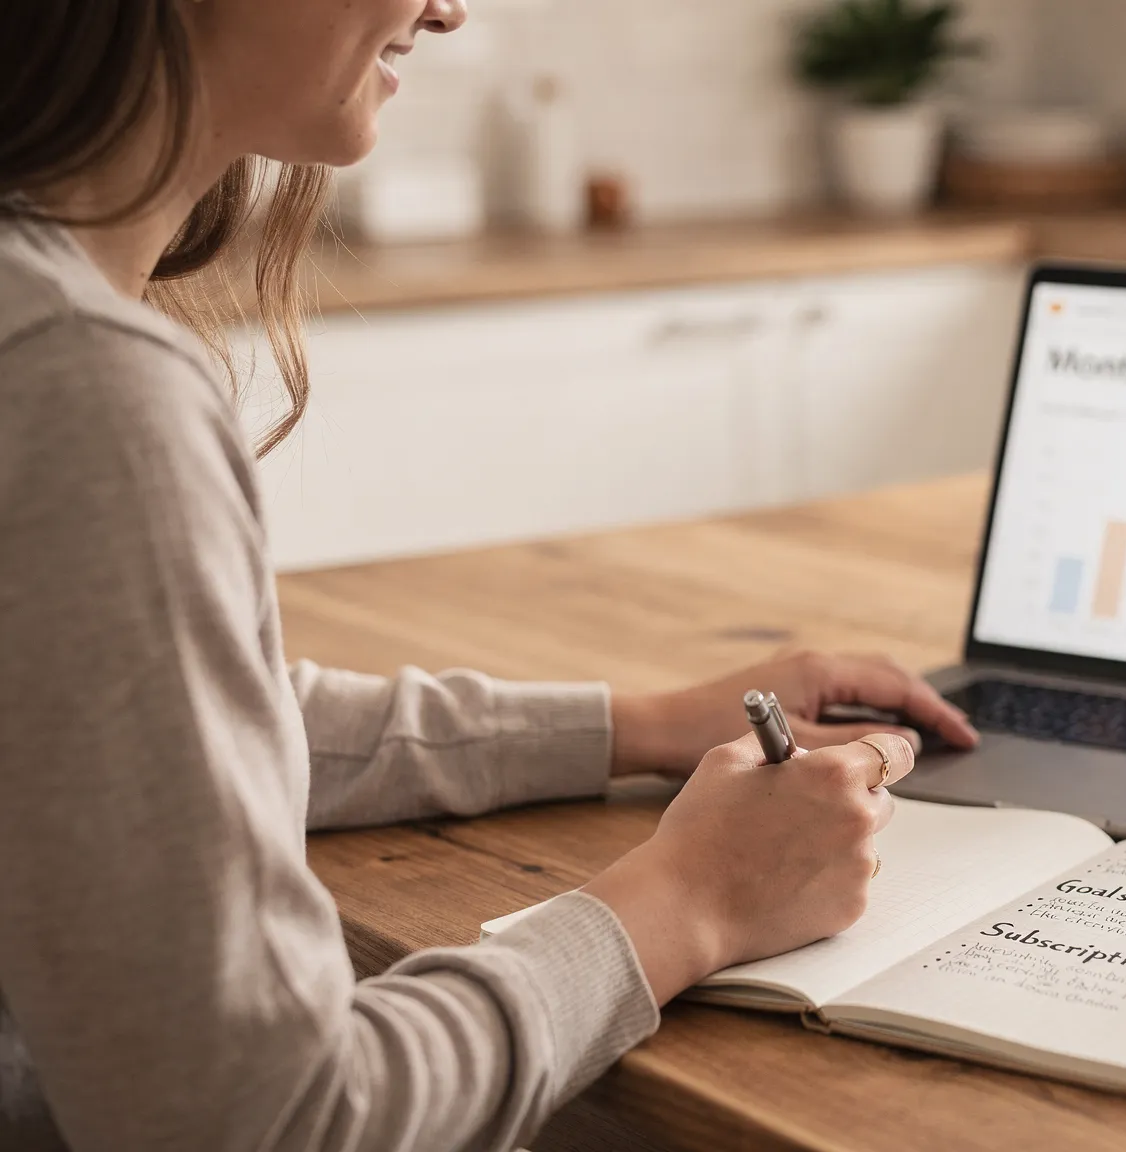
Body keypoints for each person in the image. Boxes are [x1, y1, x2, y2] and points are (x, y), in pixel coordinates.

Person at [0, 3, 980, 1149]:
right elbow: (266, 1125)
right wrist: (690, 903)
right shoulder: (80, 387)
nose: (447, 5)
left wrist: (639, 726)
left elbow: (146, 728)